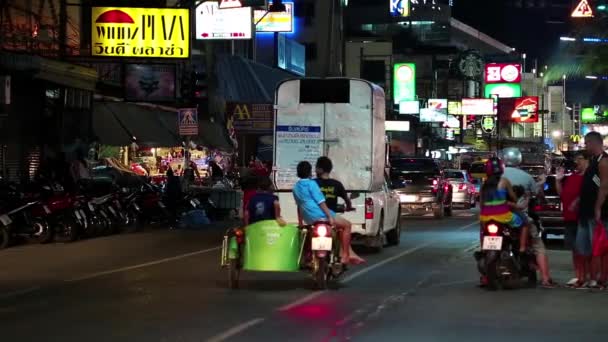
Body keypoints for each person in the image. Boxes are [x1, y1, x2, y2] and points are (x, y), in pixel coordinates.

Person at [501, 147, 555, 288]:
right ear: (519, 160)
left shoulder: (496, 176)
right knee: (538, 246)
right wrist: (541, 186)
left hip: (496, 217)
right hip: (519, 217)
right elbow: (538, 195)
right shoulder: (526, 177)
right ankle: (545, 278)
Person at [292, 161, 365, 265]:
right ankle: (345, 255)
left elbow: (299, 206)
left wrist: (300, 222)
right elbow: (321, 202)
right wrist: (329, 216)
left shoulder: (295, 188)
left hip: (308, 218)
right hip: (321, 214)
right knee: (347, 225)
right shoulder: (311, 184)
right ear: (309, 172)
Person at [578, 131, 608, 289]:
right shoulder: (593, 161)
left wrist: (598, 208)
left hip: (598, 212)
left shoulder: (604, 161)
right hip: (586, 211)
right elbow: (591, 184)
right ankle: (590, 277)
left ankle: (599, 279)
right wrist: (578, 201)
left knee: (599, 247)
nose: (585, 145)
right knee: (585, 247)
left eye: (587, 143)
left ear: (594, 143)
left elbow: (604, 186)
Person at [556, 152, 589, 288]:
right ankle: (578, 276)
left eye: (580, 159)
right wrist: (558, 180)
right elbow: (562, 194)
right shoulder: (572, 177)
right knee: (575, 249)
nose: (577, 162)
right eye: (577, 160)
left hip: (582, 217)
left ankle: (585, 276)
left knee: (583, 249)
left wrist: (578, 201)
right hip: (569, 217)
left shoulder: (590, 177)